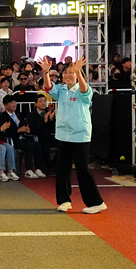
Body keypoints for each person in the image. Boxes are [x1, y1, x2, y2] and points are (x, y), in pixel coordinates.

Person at [41, 57, 106, 214]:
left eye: (71, 73)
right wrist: (46, 72)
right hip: (63, 135)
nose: (67, 76)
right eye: (65, 73)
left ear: (77, 75)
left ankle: (96, 202)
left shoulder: (84, 89)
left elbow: (84, 91)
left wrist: (78, 71)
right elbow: (48, 87)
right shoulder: (61, 90)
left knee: (83, 169)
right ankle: (64, 201)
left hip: (80, 135)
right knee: (62, 168)